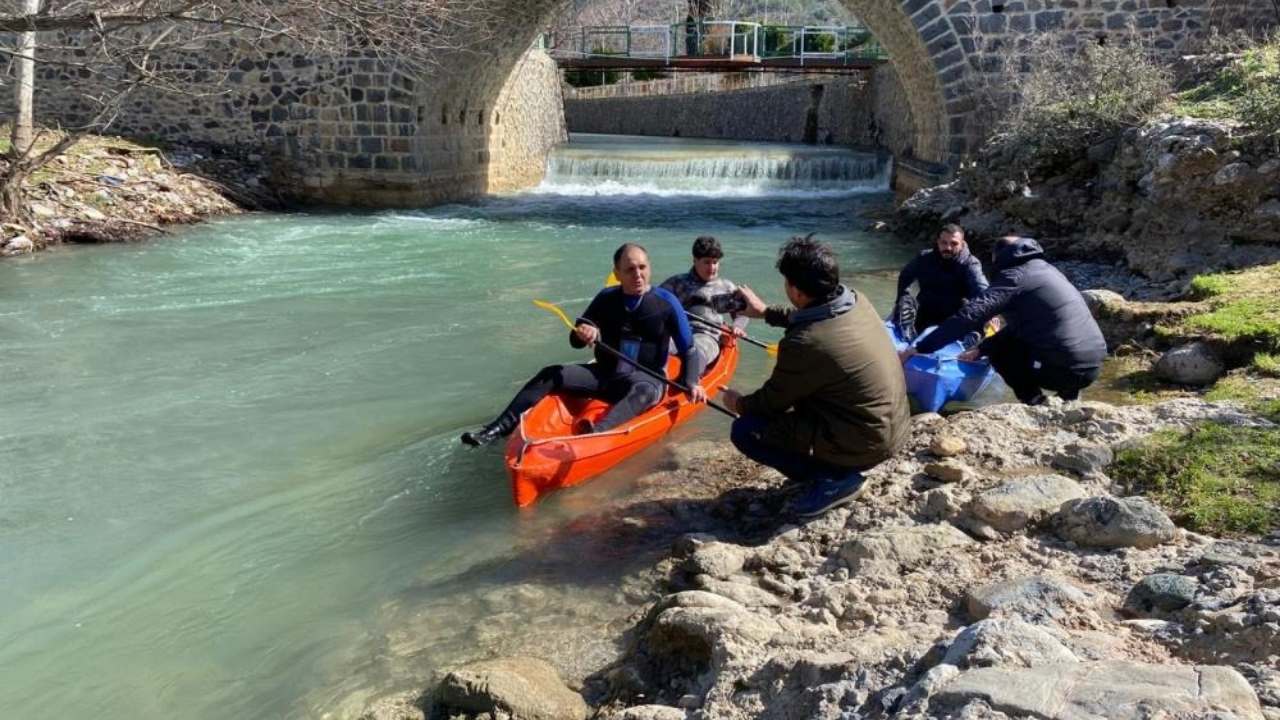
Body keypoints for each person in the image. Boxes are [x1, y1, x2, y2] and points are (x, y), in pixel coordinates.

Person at [721, 235, 911, 517]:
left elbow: (771, 403)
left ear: (796, 292)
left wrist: (737, 402)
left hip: (866, 445)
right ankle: (833, 470)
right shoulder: (856, 300)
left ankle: (834, 481)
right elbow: (814, 317)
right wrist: (765, 313)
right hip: (895, 429)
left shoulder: (803, 344)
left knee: (746, 429)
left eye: (787, 283)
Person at [461, 244, 706, 447]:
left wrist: (692, 382)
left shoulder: (666, 303)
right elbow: (575, 339)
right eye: (630, 269)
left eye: (642, 267)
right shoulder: (606, 298)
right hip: (606, 375)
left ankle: (594, 436)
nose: (638, 274)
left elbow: (689, 349)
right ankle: (496, 429)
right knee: (551, 374)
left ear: (649, 268)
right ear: (617, 272)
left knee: (641, 393)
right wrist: (584, 333)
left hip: (647, 380)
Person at [908, 236, 1107, 406]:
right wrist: (981, 349)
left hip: (1063, 369)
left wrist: (921, 348)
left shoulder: (1014, 277)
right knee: (1008, 341)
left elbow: (969, 315)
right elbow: (1023, 326)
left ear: (998, 257)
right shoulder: (1046, 270)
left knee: (1001, 352)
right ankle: (1069, 397)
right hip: (1092, 365)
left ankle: (1035, 402)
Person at [659, 236, 747, 383]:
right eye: (707, 262)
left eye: (715, 262)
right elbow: (655, 302)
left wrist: (737, 326)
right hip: (679, 332)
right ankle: (653, 378)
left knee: (696, 351)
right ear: (695, 260)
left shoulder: (726, 287)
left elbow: (742, 314)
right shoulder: (677, 282)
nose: (712, 268)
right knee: (658, 343)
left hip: (707, 336)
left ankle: (689, 382)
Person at [893, 223, 989, 341]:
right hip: (925, 310)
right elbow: (905, 276)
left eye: (954, 244)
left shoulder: (970, 264)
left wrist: (990, 313)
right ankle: (906, 331)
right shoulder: (924, 258)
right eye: (944, 243)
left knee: (979, 314)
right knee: (905, 302)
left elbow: (981, 289)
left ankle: (970, 339)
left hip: (955, 316)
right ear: (938, 242)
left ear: (962, 243)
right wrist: (902, 297)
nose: (948, 247)